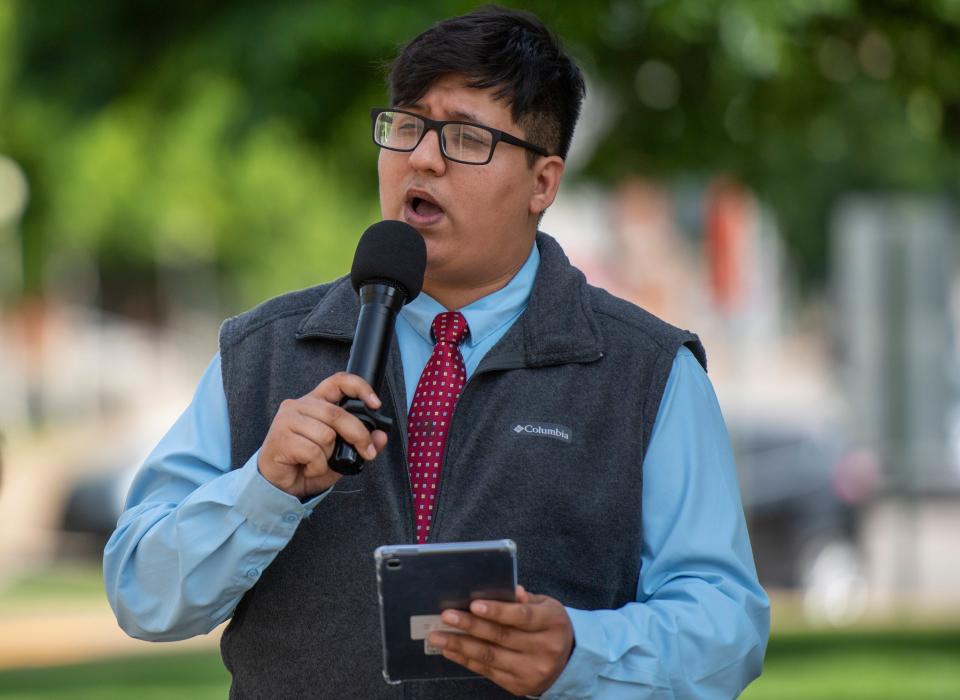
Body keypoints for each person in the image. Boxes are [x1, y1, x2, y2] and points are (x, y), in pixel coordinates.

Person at [104, 6, 769, 698]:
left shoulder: (647, 371)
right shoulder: (265, 350)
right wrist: (263, 490)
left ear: (543, 182)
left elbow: (728, 627)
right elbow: (139, 592)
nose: (422, 157)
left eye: (464, 137)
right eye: (409, 126)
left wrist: (582, 652)